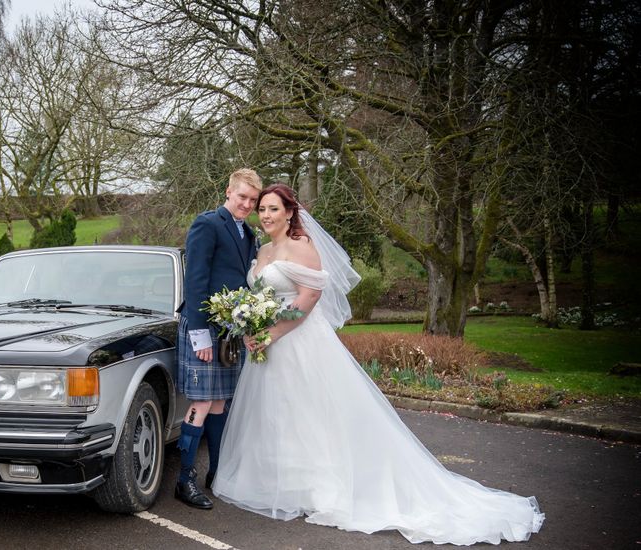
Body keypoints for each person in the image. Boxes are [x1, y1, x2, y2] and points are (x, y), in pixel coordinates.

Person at [212, 184, 544, 545]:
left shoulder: (302, 247)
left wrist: (273, 333)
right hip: (267, 347)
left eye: (273, 209)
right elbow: (260, 296)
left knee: (312, 413)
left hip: (300, 343)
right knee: (278, 414)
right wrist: (254, 327)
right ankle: (282, 482)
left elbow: (309, 298)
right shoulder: (262, 250)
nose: (265, 215)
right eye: (262, 209)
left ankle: (322, 487)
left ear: (290, 212)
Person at [175, 168, 263, 510]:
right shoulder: (207, 224)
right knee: (201, 403)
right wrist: (199, 335)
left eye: (253, 200)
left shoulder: (248, 233)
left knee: (222, 403)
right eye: (242, 197)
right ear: (229, 192)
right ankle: (184, 481)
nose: (246, 204)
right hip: (204, 329)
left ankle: (216, 473)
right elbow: (195, 280)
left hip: (230, 331)